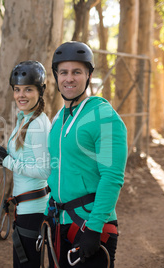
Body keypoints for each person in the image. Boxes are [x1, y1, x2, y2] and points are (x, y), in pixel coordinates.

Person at [46, 41, 127, 268]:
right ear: (56, 76)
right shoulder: (58, 119)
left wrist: (94, 227)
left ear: (89, 75)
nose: (69, 78)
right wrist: (46, 212)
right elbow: (57, 171)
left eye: (76, 72)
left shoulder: (105, 116)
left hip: (91, 225)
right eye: (63, 72)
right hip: (59, 224)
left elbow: (112, 176)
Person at [0, 61, 52, 267]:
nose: (21, 95)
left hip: (34, 209)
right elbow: (25, 155)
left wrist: (6, 160)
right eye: (17, 89)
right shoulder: (25, 118)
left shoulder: (38, 123)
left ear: (40, 91)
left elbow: (44, 169)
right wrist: (1, 151)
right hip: (25, 208)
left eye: (28, 89)